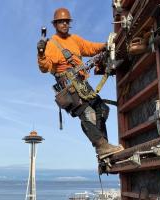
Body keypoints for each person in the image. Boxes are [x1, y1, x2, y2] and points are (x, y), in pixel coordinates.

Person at [37, 8, 124, 158]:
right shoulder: (51, 44)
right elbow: (45, 68)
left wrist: (106, 45)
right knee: (86, 113)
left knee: (102, 109)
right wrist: (40, 53)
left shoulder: (75, 39)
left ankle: (104, 144)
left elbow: (90, 48)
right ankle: (101, 146)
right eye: (60, 22)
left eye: (66, 21)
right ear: (55, 25)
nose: (64, 24)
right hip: (69, 86)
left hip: (81, 83)